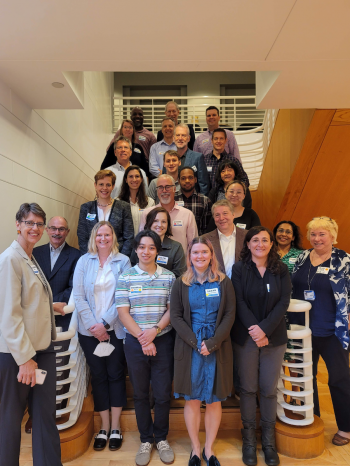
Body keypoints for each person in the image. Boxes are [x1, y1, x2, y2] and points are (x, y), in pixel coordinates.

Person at [0, 203, 62, 466]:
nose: (35, 228)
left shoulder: (30, 256)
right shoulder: (10, 259)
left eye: (39, 224)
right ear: (18, 225)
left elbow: (29, 301)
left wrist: (51, 306)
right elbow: (9, 314)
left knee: (45, 414)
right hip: (18, 355)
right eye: (29, 223)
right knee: (10, 420)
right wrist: (25, 359)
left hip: (42, 350)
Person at [170, 237, 236, 466]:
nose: (200, 256)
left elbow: (229, 315)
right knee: (193, 400)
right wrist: (194, 341)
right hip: (190, 347)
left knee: (214, 400)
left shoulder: (224, 282)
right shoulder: (181, 283)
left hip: (218, 346)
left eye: (204, 252)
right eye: (195, 252)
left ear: (211, 255)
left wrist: (213, 342)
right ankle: (195, 449)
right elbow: (176, 316)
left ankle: (209, 449)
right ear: (190, 256)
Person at [231, 226, 292, 466]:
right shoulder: (239, 269)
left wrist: (264, 329)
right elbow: (239, 300)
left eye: (265, 240)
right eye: (255, 240)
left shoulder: (281, 269)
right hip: (246, 337)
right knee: (247, 389)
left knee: (268, 390)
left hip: (273, 338)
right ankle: (248, 441)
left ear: (271, 243)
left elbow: (284, 302)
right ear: (247, 244)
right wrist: (255, 330)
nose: (260, 244)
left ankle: (268, 443)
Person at [116, 230, 176, 466]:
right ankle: (145, 440)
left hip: (162, 340)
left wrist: (154, 332)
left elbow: (172, 310)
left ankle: (160, 438)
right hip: (135, 341)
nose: (146, 251)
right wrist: (143, 337)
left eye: (151, 247)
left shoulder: (169, 277)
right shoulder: (126, 277)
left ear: (157, 251)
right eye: (142, 247)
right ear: (136, 249)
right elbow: (123, 312)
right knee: (140, 394)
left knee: (162, 394)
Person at [291, 217, 350, 446]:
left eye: (322, 234)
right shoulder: (303, 257)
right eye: (313, 234)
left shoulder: (343, 259)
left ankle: (346, 427)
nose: (317, 238)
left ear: (333, 236)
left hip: (333, 330)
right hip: (303, 328)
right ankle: (312, 419)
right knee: (307, 376)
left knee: (339, 379)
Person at [73, 221, 131, 451]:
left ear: (113, 237)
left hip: (115, 330)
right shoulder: (83, 261)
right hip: (89, 333)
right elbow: (79, 297)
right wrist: (93, 326)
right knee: (98, 376)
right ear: (94, 238)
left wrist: (105, 323)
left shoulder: (123, 261)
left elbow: (123, 296)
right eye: (99, 235)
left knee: (116, 374)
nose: (103, 238)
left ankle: (116, 427)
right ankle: (103, 427)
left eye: (107, 234)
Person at [33, 216, 81, 331]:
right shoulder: (34, 253)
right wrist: (45, 304)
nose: (57, 232)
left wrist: (51, 303)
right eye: (53, 228)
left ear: (67, 232)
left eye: (61, 229)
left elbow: (74, 287)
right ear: (47, 230)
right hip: (37, 314)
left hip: (62, 313)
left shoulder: (77, 256)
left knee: (60, 347)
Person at [77, 169, 134, 256]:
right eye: (101, 184)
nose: (104, 188)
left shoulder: (123, 207)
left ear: (113, 186)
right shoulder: (86, 208)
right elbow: (82, 237)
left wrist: (120, 258)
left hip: (117, 257)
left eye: (108, 185)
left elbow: (129, 237)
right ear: (95, 185)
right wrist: (89, 258)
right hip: (92, 257)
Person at [139, 174, 198, 253]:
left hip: (180, 263)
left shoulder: (188, 215)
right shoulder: (147, 214)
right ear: (157, 191)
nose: (164, 191)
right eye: (160, 187)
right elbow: (141, 242)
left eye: (167, 187)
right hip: (153, 263)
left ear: (174, 189)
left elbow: (193, 245)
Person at [130, 206, 186, 278]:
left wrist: (158, 282)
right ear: (149, 223)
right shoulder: (139, 244)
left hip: (167, 287)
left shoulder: (176, 247)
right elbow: (133, 267)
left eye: (164, 222)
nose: (160, 225)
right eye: (155, 221)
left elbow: (179, 275)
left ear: (168, 225)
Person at [202, 200, 247, 279]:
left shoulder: (248, 236)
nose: (221, 218)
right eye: (217, 215)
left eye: (225, 213)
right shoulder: (205, 240)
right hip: (216, 285)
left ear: (233, 214)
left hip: (244, 287)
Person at [172, 124, 210, 195]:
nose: (180, 138)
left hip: (193, 201)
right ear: (173, 138)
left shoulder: (198, 157)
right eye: (178, 135)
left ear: (189, 138)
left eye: (183, 135)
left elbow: (204, 185)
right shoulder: (169, 159)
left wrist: (202, 203)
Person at [174, 166, 212, 236]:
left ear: (195, 180)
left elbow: (206, 229)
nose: (187, 181)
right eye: (183, 178)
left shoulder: (205, 201)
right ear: (178, 181)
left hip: (197, 243)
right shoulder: (172, 199)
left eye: (190, 178)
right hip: (175, 242)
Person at [118, 165, 155, 233]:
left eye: (137, 176)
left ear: (141, 179)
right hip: (125, 242)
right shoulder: (118, 201)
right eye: (130, 176)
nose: (134, 179)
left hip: (144, 242)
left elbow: (152, 225)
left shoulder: (150, 202)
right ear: (126, 180)